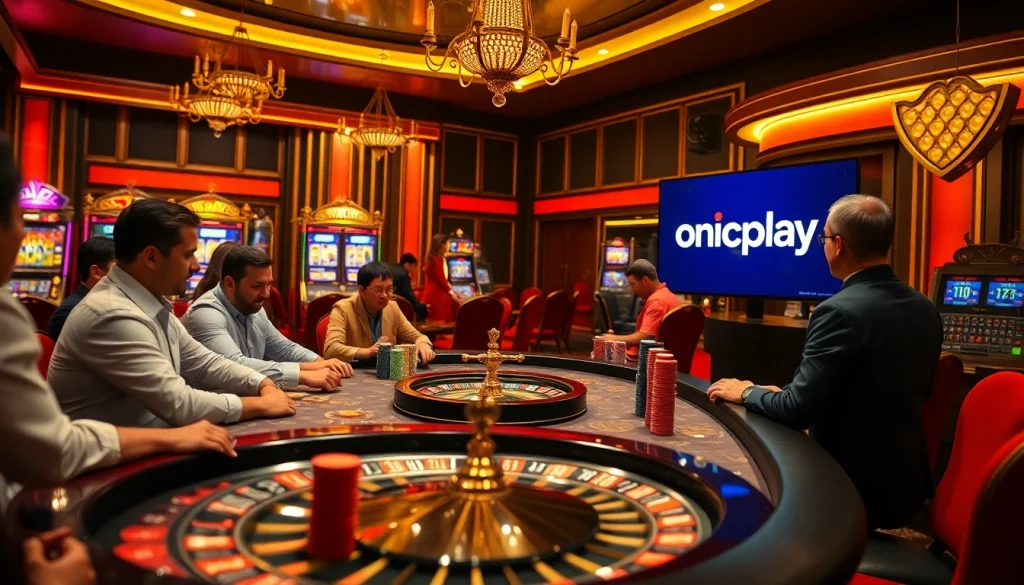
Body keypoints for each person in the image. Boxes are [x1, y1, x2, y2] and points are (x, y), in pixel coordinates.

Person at [0, 134, 237, 585]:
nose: (25, 234)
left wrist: (275, 382)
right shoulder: (103, 312)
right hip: (59, 501)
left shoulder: (155, 304)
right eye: (18, 216)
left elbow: (202, 363)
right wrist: (174, 438)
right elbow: (55, 451)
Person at [708, 194, 942, 531]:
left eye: (823, 239)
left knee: (741, 497)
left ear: (839, 245)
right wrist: (782, 396)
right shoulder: (925, 307)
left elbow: (797, 411)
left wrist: (746, 392)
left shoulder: (837, 311)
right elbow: (895, 391)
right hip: (906, 489)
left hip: (847, 488)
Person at [48, 198, 296, 428]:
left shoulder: (149, 302)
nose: (196, 266)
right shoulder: (112, 314)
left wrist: (261, 382)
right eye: (188, 254)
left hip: (153, 443)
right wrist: (261, 404)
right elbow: (179, 403)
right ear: (151, 257)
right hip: (116, 459)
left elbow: (203, 362)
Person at [183, 246, 353, 390]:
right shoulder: (205, 313)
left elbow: (285, 349)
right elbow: (235, 365)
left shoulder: (252, 306)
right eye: (257, 286)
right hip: (208, 409)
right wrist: (303, 374)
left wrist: (321, 362)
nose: (266, 294)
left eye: (269, 284)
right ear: (230, 283)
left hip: (243, 399)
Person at [324, 261, 435, 364]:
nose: (384, 295)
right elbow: (331, 349)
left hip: (386, 374)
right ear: (361, 290)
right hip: (353, 372)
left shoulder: (392, 307)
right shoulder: (343, 309)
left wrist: (422, 343)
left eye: (389, 289)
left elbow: (417, 337)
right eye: (378, 290)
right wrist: (367, 352)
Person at [603, 259, 680, 360]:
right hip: (664, 357)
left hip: (654, 360)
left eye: (633, 284)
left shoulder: (657, 301)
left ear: (645, 280)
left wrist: (614, 339)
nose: (633, 290)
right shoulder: (666, 295)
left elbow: (646, 336)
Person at [47, 236, 115, 340]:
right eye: (116, 269)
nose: (123, 275)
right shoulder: (72, 310)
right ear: (96, 272)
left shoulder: (100, 304)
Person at [420, 233, 457, 322]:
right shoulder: (437, 260)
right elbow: (442, 279)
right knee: (438, 323)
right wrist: (452, 293)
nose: (448, 245)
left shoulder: (433, 258)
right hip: (437, 294)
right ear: (441, 245)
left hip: (432, 292)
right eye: (447, 243)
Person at [391, 253, 428, 321]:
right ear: (407, 264)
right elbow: (409, 295)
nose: (415, 269)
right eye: (414, 266)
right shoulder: (403, 276)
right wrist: (420, 305)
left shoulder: (394, 269)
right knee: (422, 308)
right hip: (399, 304)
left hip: (389, 303)